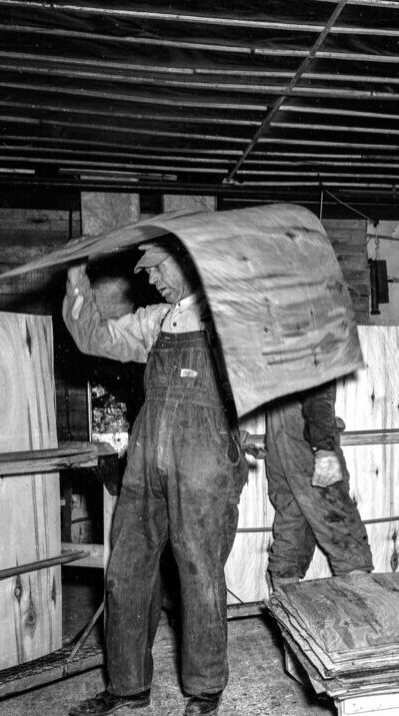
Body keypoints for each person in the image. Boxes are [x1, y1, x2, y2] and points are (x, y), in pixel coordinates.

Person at [64, 241, 247, 716]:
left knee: (198, 570)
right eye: (147, 273)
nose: (151, 280)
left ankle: (205, 689)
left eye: (159, 269)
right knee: (126, 568)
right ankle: (127, 686)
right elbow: (95, 337)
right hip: (147, 454)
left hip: (202, 457)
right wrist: (76, 278)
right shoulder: (156, 320)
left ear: (189, 263)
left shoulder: (227, 317)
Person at [263, 381, 373, 590]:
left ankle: (286, 601)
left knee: (292, 517)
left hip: (277, 428)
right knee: (339, 521)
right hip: (303, 427)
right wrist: (323, 446)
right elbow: (319, 386)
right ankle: (367, 614)